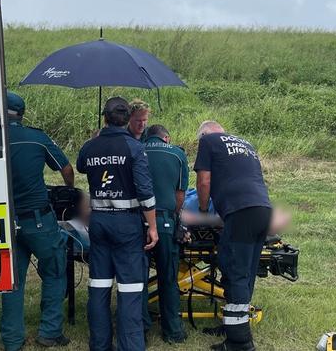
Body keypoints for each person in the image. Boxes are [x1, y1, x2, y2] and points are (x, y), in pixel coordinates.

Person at [77, 97, 159, 351]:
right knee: (131, 288)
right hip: (126, 225)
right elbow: (145, 192)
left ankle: (100, 345)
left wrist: (96, 140)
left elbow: (81, 166)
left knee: (99, 285)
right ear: (127, 120)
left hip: (99, 223)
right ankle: (131, 345)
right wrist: (153, 227)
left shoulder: (90, 147)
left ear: (104, 118)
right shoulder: (134, 147)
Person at [0, 92, 75, 351]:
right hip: (38, 220)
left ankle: (11, 340)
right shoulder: (37, 138)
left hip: (6, 220)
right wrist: (70, 191)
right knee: (54, 271)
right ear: (22, 114)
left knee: (12, 281)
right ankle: (49, 332)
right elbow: (66, 168)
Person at [194, 120, 271, 351]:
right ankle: (232, 325)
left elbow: (203, 180)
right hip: (262, 209)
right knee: (246, 272)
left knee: (234, 270)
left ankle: (240, 342)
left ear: (204, 134)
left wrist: (203, 209)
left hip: (241, 211)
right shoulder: (245, 144)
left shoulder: (207, 141)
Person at [141, 124, 189, 343]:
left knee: (137, 278)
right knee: (168, 277)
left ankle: (139, 328)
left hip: (136, 221)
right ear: (166, 138)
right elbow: (180, 194)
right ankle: (173, 332)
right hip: (164, 221)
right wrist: (175, 217)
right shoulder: (178, 154)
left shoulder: (135, 149)